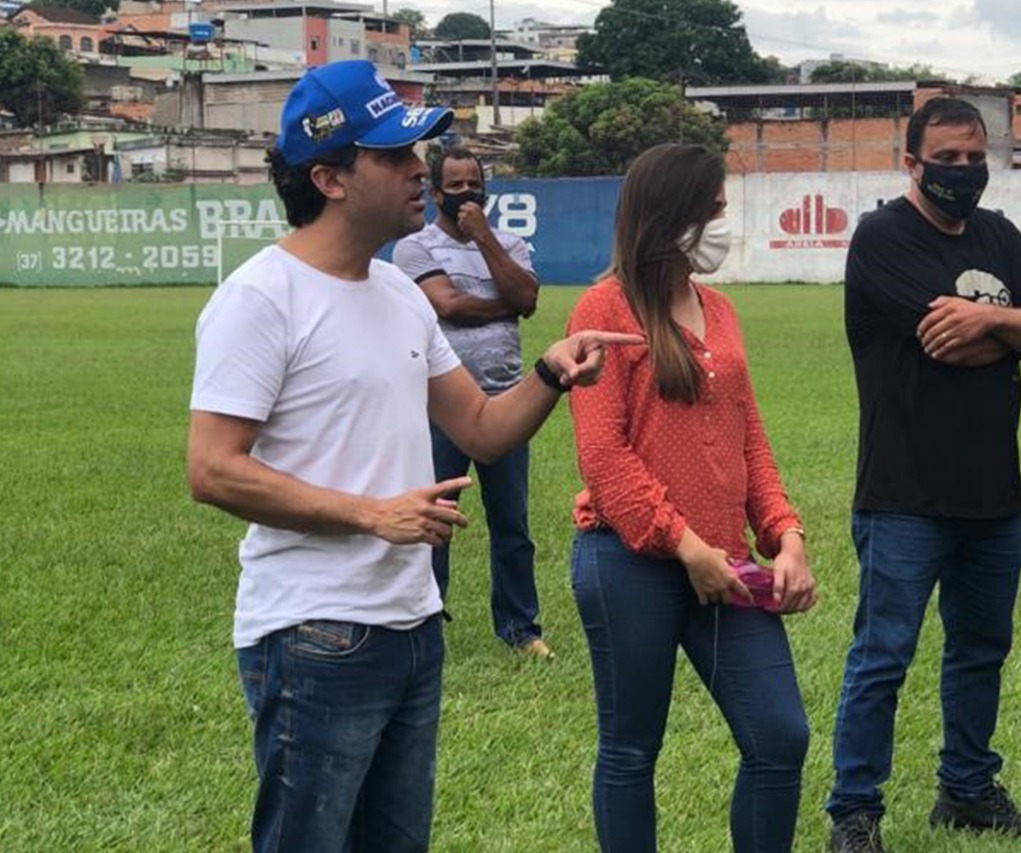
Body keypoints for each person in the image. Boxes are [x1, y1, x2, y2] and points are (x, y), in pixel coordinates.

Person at [185, 59, 639, 853]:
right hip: (314, 632)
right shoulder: (260, 297)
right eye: (394, 155)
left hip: (411, 624)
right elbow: (212, 466)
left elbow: (482, 428)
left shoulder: (397, 292)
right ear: (329, 177)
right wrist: (370, 514)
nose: (418, 172)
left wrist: (549, 372)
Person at [827, 97, 1021, 853]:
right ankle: (855, 811)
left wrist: (992, 320)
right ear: (912, 163)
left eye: (973, 157)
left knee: (980, 651)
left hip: (993, 495)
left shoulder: (999, 234)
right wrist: (1012, 331)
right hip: (904, 494)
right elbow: (946, 344)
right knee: (882, 658)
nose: (963, 171)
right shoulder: (882, 237)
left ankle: (967, 789)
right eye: (947, 159)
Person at [565, 142, 817, 853]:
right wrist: (685, 546)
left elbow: (749, 437)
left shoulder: (721, 310)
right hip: (629, 561)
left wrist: (787, 535)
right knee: (631, 747)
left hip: (724, 562)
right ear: (670, 215)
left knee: (780, 736)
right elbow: (603, 456)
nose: (721, 224)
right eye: (712, 209)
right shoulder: (603, 307)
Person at [393, 147, 552, 659]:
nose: (467, 193)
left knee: (512, 525)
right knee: (435, 519)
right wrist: (509, 304)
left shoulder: (508, 243)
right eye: (455, 185)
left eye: (474, 184)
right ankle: (425, 620)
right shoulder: (415, 247)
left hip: (507, 403)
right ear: (435, 193)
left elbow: (527, 298)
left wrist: (485, 238)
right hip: (441, 406)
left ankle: (521, 629)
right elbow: (450, 305)